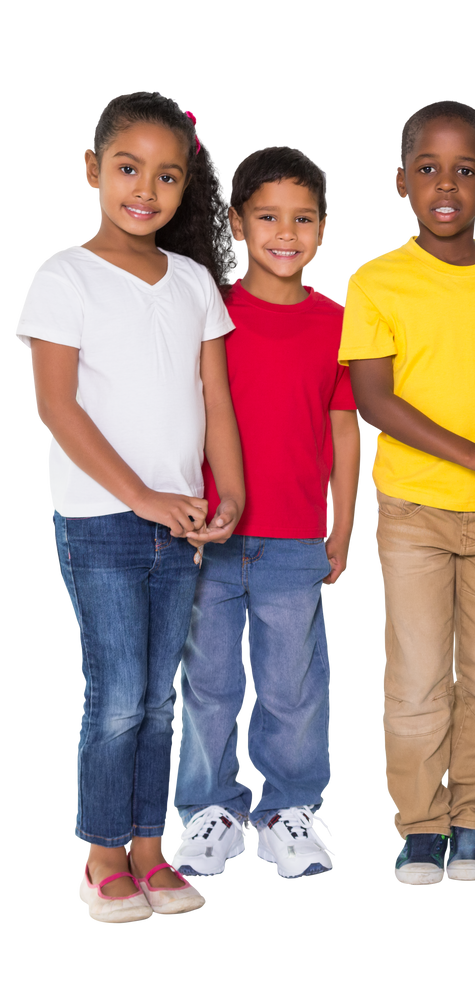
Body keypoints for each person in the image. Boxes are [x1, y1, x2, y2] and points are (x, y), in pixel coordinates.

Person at [15, 89, 244, 924]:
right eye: (126, 168)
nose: (145, 188)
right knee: (117, 694)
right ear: (91, 170)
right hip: (101, 519)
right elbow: (58, 407)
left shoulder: (191, 282)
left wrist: (231, 493)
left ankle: (152, 849)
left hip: (180, 519)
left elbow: (214, 397)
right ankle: (102, 856)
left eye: (167, 176)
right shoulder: (62, 274)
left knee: (161, 695)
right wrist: (142, 494)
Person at [341, 98, 475, 887]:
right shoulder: (375, 279)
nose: (446, 185)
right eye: (428, 169)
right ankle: (421, 829)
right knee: (417, 674)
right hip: (412, 511)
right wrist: (473, 451)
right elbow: (374, 401)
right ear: (400, 181)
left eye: (465, 171)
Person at [170, 144, 361, 882]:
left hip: (293, 538)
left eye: (304, 218)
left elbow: (345, 427)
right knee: (208, 683)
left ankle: (289, 808)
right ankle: (210, 809)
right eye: (269, 217)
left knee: (294, 683)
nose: (287, 232)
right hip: (207, 535)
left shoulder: (339, 321)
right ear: (237, 224)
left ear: (323, 228)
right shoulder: (206, 309)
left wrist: (343, 525)